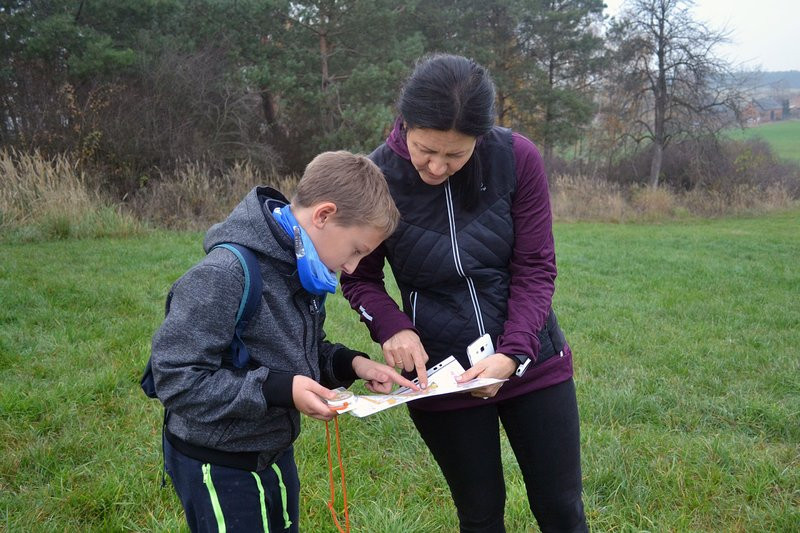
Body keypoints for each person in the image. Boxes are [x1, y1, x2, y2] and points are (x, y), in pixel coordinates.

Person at [340, 54, 588, 532]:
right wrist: (393, 328)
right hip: (440, 373)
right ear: (405, 123)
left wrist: (513, 353)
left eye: (455, 155)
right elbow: (358, 276)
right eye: (425, 149)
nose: (437, 166)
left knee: (561, 507)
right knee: (480, 515)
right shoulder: (377, 176)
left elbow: (536, 267)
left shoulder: (517, 158)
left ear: (480, 136)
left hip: (532, 357)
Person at [150, 151, 418, 533]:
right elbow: (176, 378)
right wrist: (280, 390)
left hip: (273, 451)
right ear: (323, 215)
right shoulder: (225, 274)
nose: (352, 267)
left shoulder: (302, 266)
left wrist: (352, 364)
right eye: (356, 250)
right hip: (220, 461)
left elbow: (301, 350)